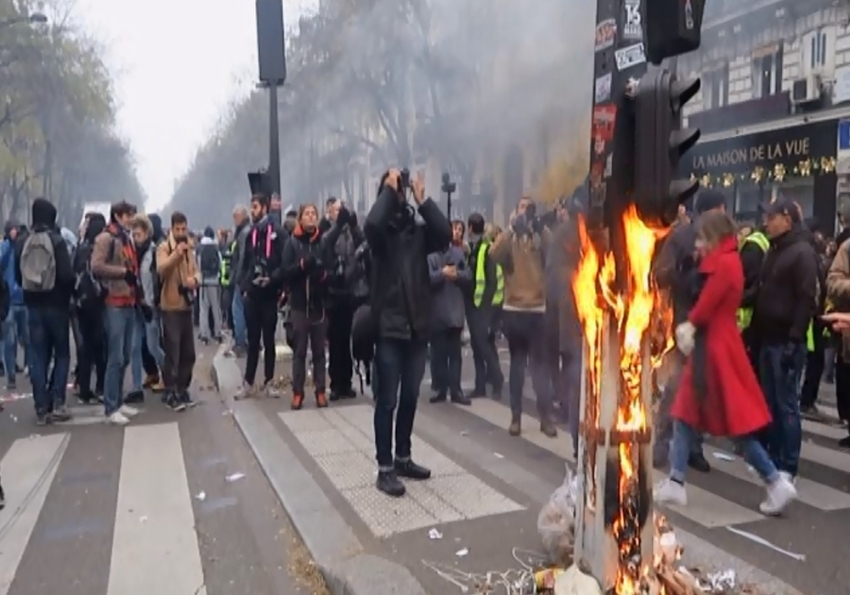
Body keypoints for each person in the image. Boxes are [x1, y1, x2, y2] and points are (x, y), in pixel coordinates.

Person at [654, 211, 797, 515]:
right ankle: (677, 481)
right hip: (718, 348)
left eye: (703, 238)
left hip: (714, 351)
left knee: (725, 425)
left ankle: (773, 480)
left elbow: (707, 304)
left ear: (715, 236)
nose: (699, 243)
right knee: (689, 415)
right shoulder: (726, 259)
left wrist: (689, 325)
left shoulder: (724, 263)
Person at [363, 168, 451, 497]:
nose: (400, 192)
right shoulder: (379, 235)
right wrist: (388, 187)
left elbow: (443, 236)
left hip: (417, 326)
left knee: (411, 397)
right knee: (387, 400)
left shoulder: (416, 231)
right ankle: (384, 468)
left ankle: (403, 457)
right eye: (395, 189)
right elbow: (371, 224)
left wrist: (422, 197)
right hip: (389, 327)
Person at [752, 198, 819, 478]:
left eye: (771, 217)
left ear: (787, 219)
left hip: (786, 343)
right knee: (770, 403)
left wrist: (795, 339)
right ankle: (773, 457)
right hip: (767, 339)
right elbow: (762, 292)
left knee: (786, 405)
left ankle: (787, 466)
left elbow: (807, 299)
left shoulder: (802, 253)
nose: (766, 222)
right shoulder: (775, 250)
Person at [490, 196, 556, 438]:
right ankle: (516, 416)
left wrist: (538, 227)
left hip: (538, 309)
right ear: (514, 211)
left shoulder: (539, 235)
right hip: (514, 310)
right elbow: (493, 255)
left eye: (529, 207)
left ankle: (545, 417)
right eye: (521, 207)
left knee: (541, 367)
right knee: (517, 365)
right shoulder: (511, 239)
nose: (525, 212)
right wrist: (510, 229)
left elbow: (554, 250)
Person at [15, 198, 75, 425]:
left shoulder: (22, 242)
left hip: (32, 306)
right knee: (61, 353)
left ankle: (41, 407)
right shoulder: (57, 241)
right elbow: (67, 276)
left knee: (38, 357)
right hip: (57, 306)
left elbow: (19, 275)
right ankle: (58, 400)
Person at [92, 200, 141, 425]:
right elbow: (97, 266)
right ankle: (111, 406)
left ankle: (119, 401)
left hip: (129, 300)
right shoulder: (106, 238)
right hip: (113, 301)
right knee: (116, 356)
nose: (132, 219)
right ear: (119, 216)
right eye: (129, 215)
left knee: (126, 356)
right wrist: (123, 272)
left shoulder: (126, 238)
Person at [235, 194, 287, 398]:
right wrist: (245, 286)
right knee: (253, 340)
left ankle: (269, 381)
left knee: (269, 340)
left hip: (269, 294)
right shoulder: (251, 233)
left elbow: (284, 263)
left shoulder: (279, 233)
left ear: (264, 208)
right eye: (251, 206)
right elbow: (245, 262)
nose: (252, 211)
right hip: (253, 294)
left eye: (255, 207)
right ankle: (248, 381)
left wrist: (273, 279)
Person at [283, 204, 330, 409]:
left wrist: (322, 273)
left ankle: (320, 391)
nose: (311, 217)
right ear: (301, 218)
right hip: (300, 303)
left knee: (320, 351)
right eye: (307, 214)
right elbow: (285, 272)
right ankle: (298, 392)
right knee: (299, 351)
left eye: (314, 214)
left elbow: (330, 268)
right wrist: (301, 266)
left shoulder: (323, 241)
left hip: (319, 304)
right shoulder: (292, 243)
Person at [156, 212, 199, 410]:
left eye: (184, 229)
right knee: (173, 350)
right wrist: (176, 254)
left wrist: (195, 280)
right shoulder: (164, 248)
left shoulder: (190, 249)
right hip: (170, 305)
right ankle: (170, 390)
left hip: (186, 305)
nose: (182, 233)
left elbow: (196, 270)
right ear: (172, 229)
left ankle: (183, 388)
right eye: (178, 229)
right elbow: (162, 269)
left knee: (188, 352)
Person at [323, 200, 365, 401]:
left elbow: (364, 244)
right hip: (332, 293)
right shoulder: (328, 230)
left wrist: (354, 226)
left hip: (349, 292)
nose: (340, 214)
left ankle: (346, 382)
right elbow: (325, 244)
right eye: (336, 210)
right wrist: (338, 225)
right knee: (334, 341)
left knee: (347, 339)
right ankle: (335, 383)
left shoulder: (350, 233)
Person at [427, 220, 472, 405]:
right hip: (437, 312)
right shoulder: (430, 257)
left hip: (454, 311)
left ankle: (456, 390)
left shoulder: (458, 253)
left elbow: (468, 276)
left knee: (455, 354)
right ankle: (441, 388)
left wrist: (457, 275)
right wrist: (442, 273)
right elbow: (426, 279)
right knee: (438, 355)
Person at [464, 213, 504, 400]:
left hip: (483, 308)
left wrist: (488, 309)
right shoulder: (476, 248)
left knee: (485, 347)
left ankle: (497, 381)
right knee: (478, 347)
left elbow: (491, 282)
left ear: (470, 228)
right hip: (475, 306)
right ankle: (480, 386)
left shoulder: (485, 249)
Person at [73, 213, 107, 404]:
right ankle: (101, 385)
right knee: (100, 346)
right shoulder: (101, 249)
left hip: (81, 303)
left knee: (85, 347)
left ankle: (84, 387)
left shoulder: (80, 248)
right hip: (99, 301)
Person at [0, 220, 27, 390]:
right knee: (10, 340)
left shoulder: (25, 245)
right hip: (9, 300)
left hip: (25, 298)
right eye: (13, 230)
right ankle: (10, 373)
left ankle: (29, 368)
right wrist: (9, 244)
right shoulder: (5, 247)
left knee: (28, 338)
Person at [229, 205, 251, 355]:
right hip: (247, 277)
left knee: (237, 309)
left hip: (242, 278)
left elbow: (242, 257)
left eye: (236, 217)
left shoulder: (243, 233)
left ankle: (240, 342)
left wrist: (238, 277)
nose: (234, 220)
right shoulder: (248, 230)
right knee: (247, 310)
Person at [197, 226, 223, 343]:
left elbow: (197, 264)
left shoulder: (200, 248)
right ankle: (218, 332)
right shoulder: (215, 248)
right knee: (216, 307)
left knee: (204, 309)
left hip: (203, 282)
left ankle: (204, 333)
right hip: (214, 281)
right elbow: (221, 263)